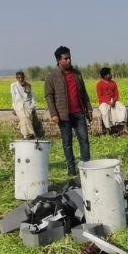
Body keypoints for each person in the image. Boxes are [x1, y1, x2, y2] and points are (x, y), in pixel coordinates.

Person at [44, 46, 93, 176]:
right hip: (63, 115)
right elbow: (48, 96)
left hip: (79, 113)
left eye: (69, 57)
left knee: (84, 140)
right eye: (66, 58)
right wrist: (54, 114)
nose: (69, 60)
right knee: (67, 143)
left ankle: (86, 166)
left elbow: (84, 93)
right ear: (58, 60)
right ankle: (71, 169)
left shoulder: (77, 73)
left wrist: (89, 109)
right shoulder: (52, 76)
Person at [96, 67, 128, 135]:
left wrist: (113, 101)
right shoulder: (99, 84)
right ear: (105, 76)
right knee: (105, 112)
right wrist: (108, 102)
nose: (111, 75)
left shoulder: (113, 83)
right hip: (104, 102)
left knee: (123, 108)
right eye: (109, 74)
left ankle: (124, 127)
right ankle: (108, 129)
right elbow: (100, 96)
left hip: (113, 101)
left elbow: (116, 94)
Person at [11, 71, 43, 139]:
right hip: (19, 106)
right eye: (19, 78)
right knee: (24, 117)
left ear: (24, 77)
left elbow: (32, 97)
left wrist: (34, 106)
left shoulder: (28, 85)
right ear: (16, 78)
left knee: (26, 118)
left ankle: (25, 135)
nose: (21, 79)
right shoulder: (13, 86)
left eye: (22, 77)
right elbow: (13, 98)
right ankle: (31, 134)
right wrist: (14, 108)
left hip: (28, 105)